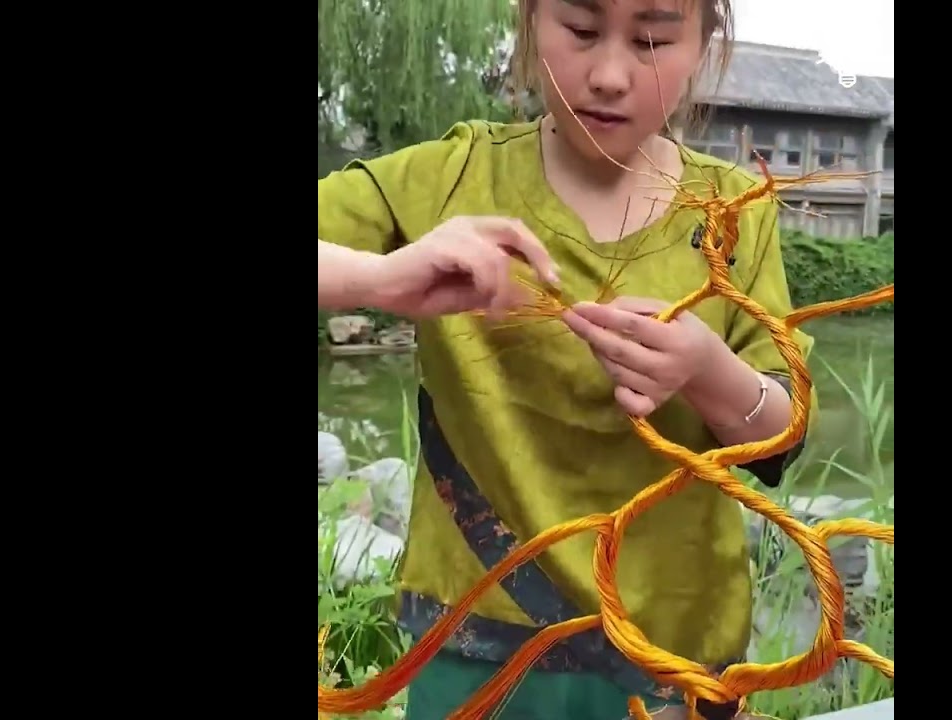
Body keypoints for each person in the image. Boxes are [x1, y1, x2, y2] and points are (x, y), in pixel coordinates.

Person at [317, 0, 815, 717]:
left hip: (675, 655)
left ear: (706, 42)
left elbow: (784, 427)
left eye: (652, 38)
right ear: (528, 22)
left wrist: (705, 369)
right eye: (580, 31)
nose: (608, 74)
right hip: (481, 647)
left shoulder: (732, 212)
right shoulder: (447, 180)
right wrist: (383, 280)